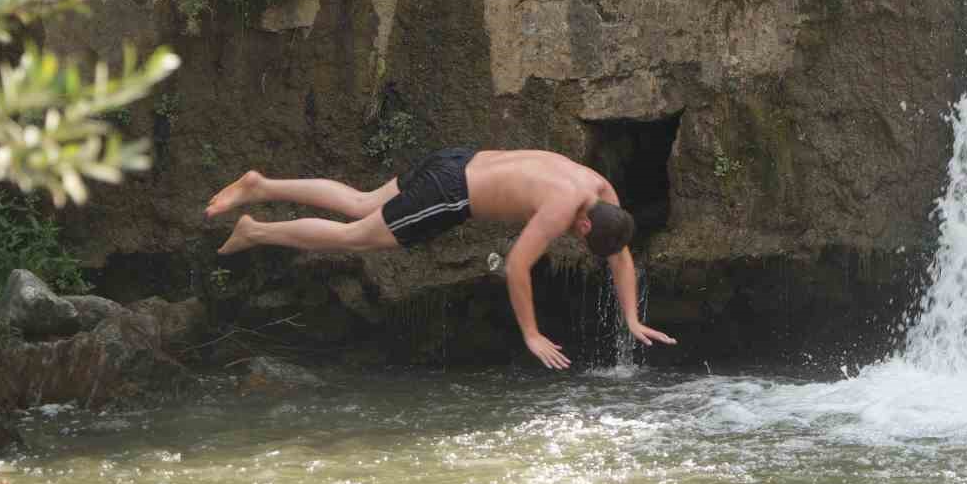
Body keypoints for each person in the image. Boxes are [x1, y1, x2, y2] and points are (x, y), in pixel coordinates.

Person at [205, 147, 676, 370]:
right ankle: (257, 230)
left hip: (455, 160)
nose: (573, 233)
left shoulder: (598, 189)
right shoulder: (561, 209)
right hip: (449, 193)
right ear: (586, 224)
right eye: (579, 233)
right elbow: (516, 266)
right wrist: (531, 334)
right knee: (354, 237)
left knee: (361, 202)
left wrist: (631, 318)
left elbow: (620, 257)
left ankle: (260, 186)